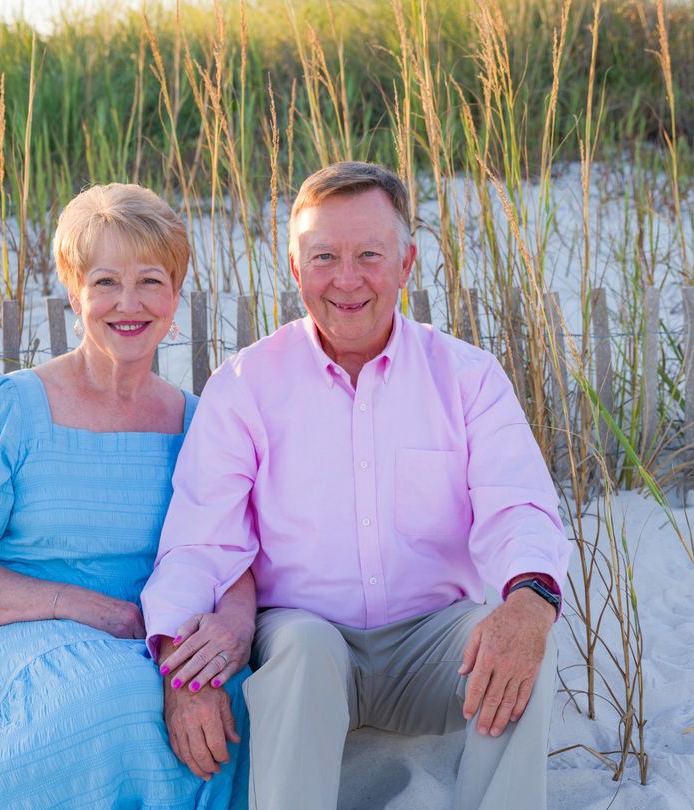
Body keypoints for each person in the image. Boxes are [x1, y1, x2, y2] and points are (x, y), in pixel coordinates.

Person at [141, 162, 571, 810]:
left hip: (434, 645)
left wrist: (531, 601)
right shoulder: (245, 386)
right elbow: (201, 538)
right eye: (324, 257)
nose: (346, 279)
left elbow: (520, 503)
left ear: (406, 262)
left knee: (519, 640)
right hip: (304, 646)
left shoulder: (467, 377)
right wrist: (181, 661)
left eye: (369, 254)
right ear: (294, 266)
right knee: (306, 647)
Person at [0, 184, 254, 810]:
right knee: (108, 701)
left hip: (151, 634)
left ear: (175, 297)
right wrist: (77, 605)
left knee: (239, 699)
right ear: (73, 290)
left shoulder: (200, 423)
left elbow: (230, 554)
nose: (129, 303)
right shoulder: (10, 408)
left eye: (150, 281)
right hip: (18, 627)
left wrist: (230, 628)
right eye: (105, 282)